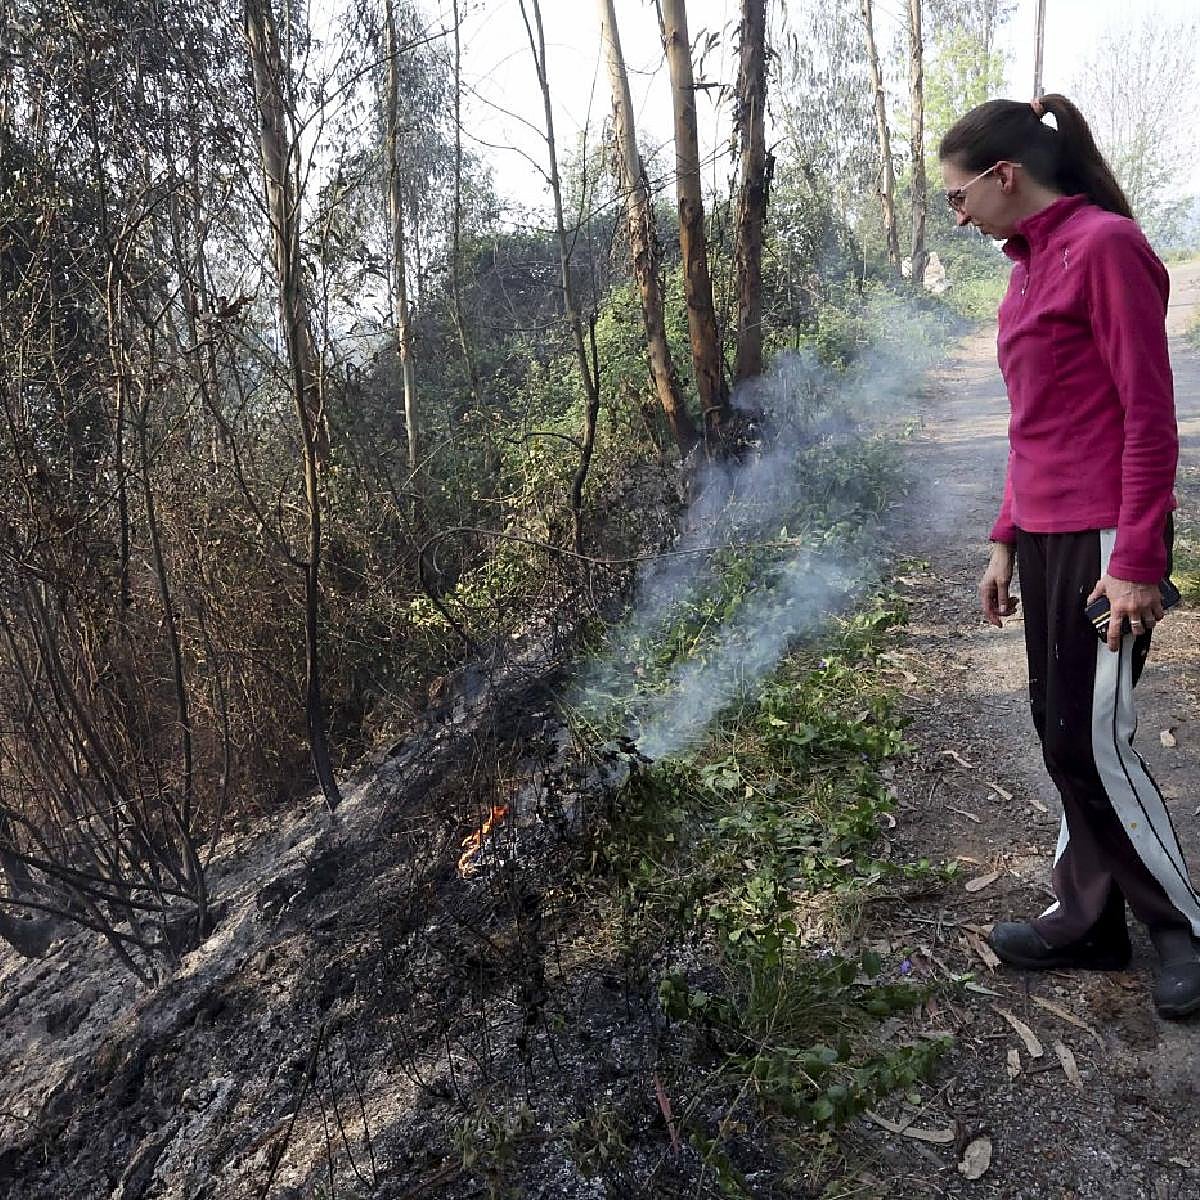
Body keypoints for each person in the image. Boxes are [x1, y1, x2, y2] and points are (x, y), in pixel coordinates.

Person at [938, 95, 1200, 1020]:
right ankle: (1089, 919)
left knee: (1095, 738)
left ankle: (1182, 928)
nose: (957, 215)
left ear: (1003, 175)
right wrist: (1004, 538)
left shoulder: (1104, 247)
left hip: (1101, 541)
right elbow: (1033, 426)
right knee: (1058, 729)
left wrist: (1134, 560)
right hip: (1047, 535)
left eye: (957, 196)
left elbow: (1148, 415)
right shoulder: (1025, 271)